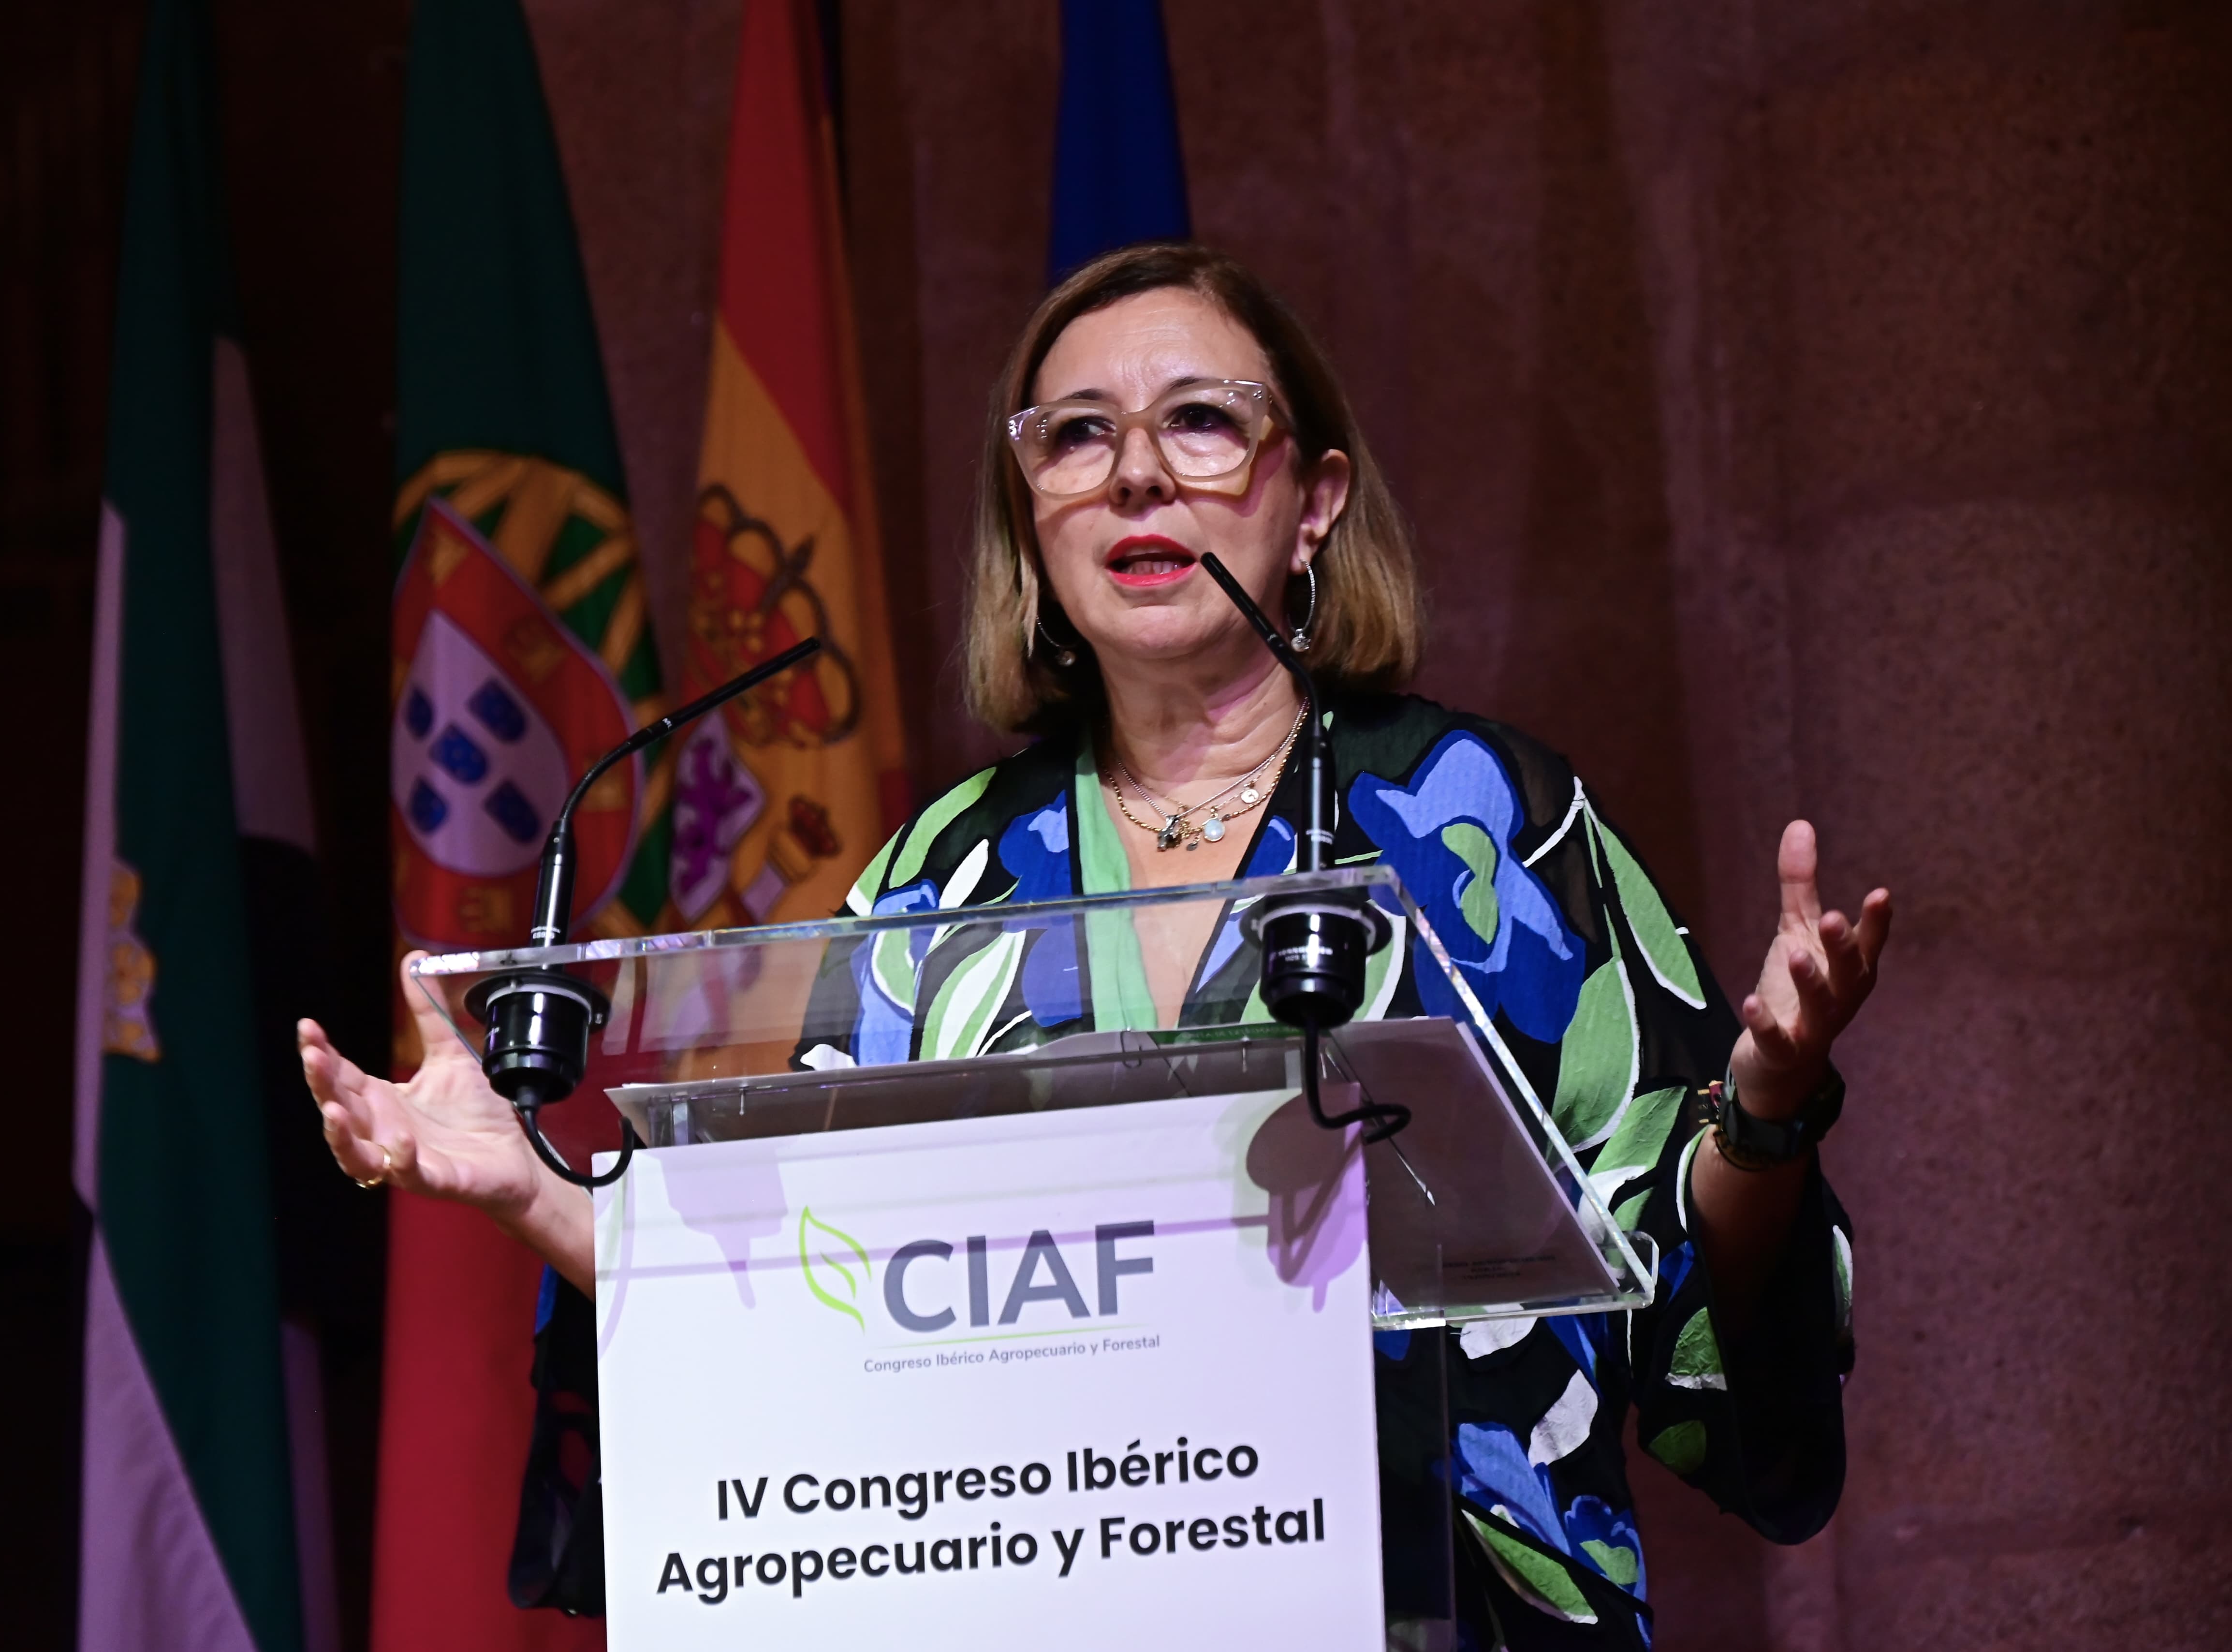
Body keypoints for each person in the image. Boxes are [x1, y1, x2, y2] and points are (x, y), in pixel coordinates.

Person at [300, 243, 1891, 1648]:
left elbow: (1688, 1295)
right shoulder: (948, 877)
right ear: (1034, 513)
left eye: (1198, 420)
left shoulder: (1485, 821)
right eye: (1076, 434)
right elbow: (796, 1304)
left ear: (1313, 497)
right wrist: (527, 1182)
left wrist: (1761, 1109)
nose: (1135, 474)